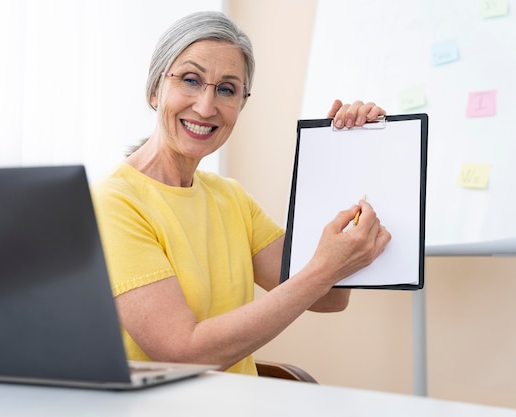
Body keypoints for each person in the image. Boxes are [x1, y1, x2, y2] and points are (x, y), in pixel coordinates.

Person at [91, 10, 391, 376]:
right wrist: (321, 271)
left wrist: (347, 154)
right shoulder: (114, 203)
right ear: (155, 89)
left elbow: (328, 296)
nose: (206, 106)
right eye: (190, 79)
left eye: (227, 89)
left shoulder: (231, 198)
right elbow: (182, 352)